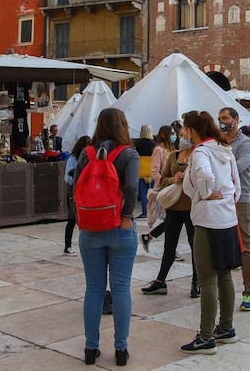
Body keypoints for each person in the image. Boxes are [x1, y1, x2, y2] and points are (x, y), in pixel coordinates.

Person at [73, 108, 140, 367]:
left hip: (90, 229)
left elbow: (76, 186)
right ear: (123, 125)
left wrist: (81, 219)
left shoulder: (86, 153)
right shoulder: (128, 154)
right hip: (120, 228)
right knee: (121, 289)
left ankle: (91, 349)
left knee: (94, 289)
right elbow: (133, 187)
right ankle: (121, 350)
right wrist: (126, 216)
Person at [180, 110, 241, 355]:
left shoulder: (202, 151)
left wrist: (204, 193)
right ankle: (226, 327)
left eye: (185, 129)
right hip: (227, 218)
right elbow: (236, 185)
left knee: (207, 280)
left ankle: (206, 336)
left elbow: (204, 175)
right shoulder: (224, 149)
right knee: (225, 276)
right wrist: (225, 198)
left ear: (192, 130)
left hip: (207, 220)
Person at [140, 126, 199, 298]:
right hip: (173, 206)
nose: (181, 138)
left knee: (194, 246)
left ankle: (196, 282)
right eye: (179, 135)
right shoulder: (173, 156)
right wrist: (173, 179)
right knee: (169, 247)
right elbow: (163, 178)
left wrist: (187, 178)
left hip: (191, 208)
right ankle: (160, 281)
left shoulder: (198, 156)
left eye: (184, 135)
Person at [218, 107, 250, 311]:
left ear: (236, 120)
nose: (222, 122)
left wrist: (216, 165)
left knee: (244, 244)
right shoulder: (217, 140)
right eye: (219, 119)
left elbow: (239, 167)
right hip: (218, 199)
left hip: (239, 199)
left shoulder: (246, 143)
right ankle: (223, 290)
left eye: (225, 118)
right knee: (221, 244)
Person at [140, 125, 175, 252]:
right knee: (171, 220)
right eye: (171, 133)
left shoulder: (171, 149)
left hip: (173, 187)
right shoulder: (159, 150)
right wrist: (165, 181)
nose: (174, 136)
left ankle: (149, 237)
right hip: (165, 188)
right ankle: (170, 249)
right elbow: (154, 171)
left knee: (172, 220)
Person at [64, 135, 92, 256]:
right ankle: (68, 246)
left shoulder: (88, 158)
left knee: (81, 219)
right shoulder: (73, 158)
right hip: (74, 192)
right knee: (73, 219)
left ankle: (83, 245)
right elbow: (67, 178)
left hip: (84, 191)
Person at [134, 125, 156, 219]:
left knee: (143, 192)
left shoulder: (137, 144)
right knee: (152, 192)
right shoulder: (154, 144)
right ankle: (153, 212)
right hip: (152, 169)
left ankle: (144, 212)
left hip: (141, 169)